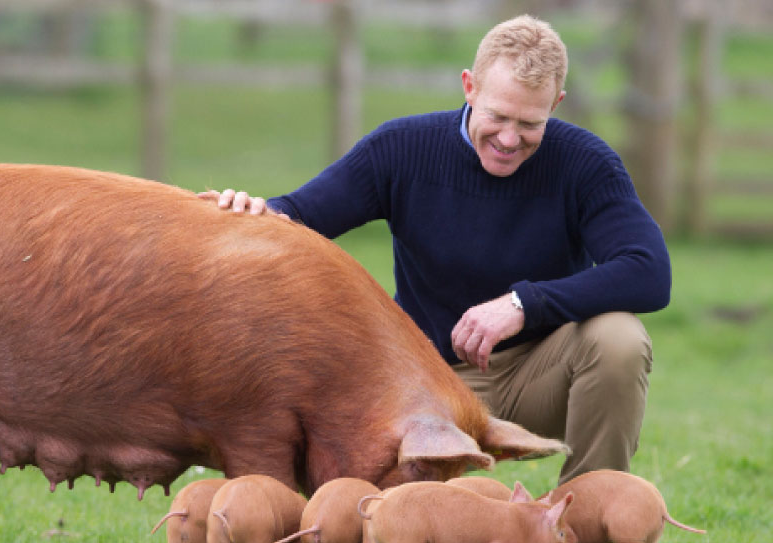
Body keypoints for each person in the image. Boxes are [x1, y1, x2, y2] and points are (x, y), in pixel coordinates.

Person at [201, 16, 670, 496]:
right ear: (469, 87)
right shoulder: (402, 149)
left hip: (535, 375)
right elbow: (301, 215)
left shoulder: (586, 163)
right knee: (387, 536)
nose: (510, 139)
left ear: (556, 104)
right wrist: (257, 211)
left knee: (620, 339)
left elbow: (649, 271)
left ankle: (584, 527)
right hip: (419, 382)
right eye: (498, 116)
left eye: (530, 123)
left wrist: (522, 305)